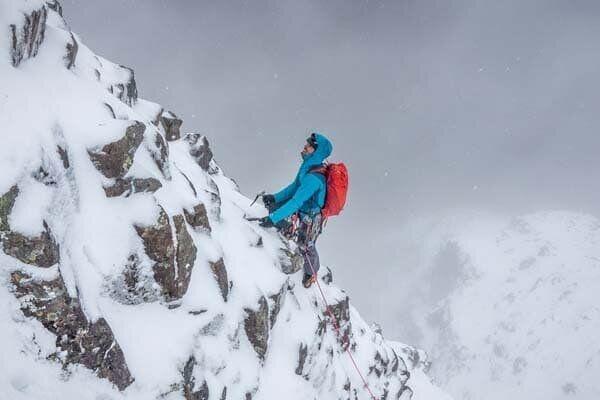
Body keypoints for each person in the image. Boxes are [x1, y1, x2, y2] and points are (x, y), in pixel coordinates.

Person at [259, 132, 332, 288]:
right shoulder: (308, 167)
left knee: (306, 245)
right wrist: (275, 198)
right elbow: (294, 187)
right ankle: (288, 232)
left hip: (312, 217)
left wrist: (273, 218)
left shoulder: (314, 178)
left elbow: (296, 201)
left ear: (316, 151)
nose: (304, 148)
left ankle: (311, 272)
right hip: (304, 211)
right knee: (280, 215)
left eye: (308, 147)